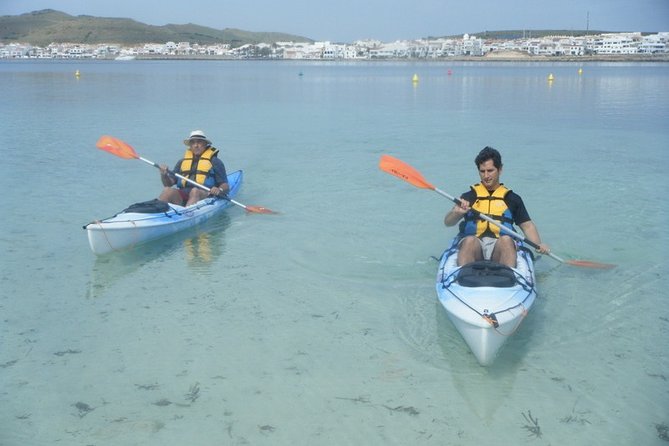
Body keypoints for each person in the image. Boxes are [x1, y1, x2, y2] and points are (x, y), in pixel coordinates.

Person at [443, 146, 550, 268]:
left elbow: (528, 226)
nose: (486, 176)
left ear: (500, 170)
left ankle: (509, 278)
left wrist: (539, 245)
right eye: (482, 171)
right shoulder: (468, 197)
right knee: (469, 241)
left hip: (499, 247)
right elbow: (448, 222)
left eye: (490, 170)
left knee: (506, 240)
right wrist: (456, 213)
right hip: (475, 246)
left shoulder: (512, 199)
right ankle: (462, 278)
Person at [158, 130, 229, 206]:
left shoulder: (215, 161)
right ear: (190, 146)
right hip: (184, 195)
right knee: (167, 190)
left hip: (205, 194)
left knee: (195, 191)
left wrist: (219, 189)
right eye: (193, 142)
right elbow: (168, 184)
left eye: (199, 142)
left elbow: (225, 185)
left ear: (205, 144)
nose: (196, 145)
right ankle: (156, 211)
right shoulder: (182, 162)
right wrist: (164, 175)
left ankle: (187, 214)